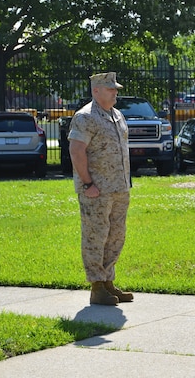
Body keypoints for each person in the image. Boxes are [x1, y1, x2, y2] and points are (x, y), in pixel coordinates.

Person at [68, 72, 134, 306]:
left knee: (115, 236)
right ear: (96, 91)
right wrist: (88, 183)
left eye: (115, 88)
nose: (115, 92)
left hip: (119, 188)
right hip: (96, 190)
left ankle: (108, 282)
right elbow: (76, 151)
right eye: (110, 89)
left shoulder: (116, 115)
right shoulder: (86, 117)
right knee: (96, 236)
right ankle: (97, 286)